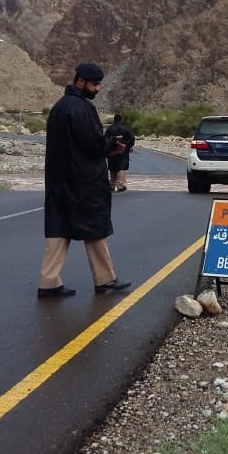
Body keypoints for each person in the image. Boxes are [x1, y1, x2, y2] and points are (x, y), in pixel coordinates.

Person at [37, 62, 132, 299]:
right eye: (95, 84)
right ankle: (105, 279)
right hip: (83, 181)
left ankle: (48, 282)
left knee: (59, 228)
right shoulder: (81, 108)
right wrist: (110, 146)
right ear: (81, 81)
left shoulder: (59, 107)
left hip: (59, 180)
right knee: (95, 227)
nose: (98, 88)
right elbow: (91, 144)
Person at [104, 113, 135, 192]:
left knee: (112, 167)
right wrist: (127, 146)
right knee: (122, 167)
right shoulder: (126, 129)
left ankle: (112, 184)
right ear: (121, 120)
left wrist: (108, 149)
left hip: (111, 151)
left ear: (114, 120)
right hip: (123, 151)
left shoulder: (109, 129)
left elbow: (105, 140)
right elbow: (132, 139)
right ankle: (120, 185)